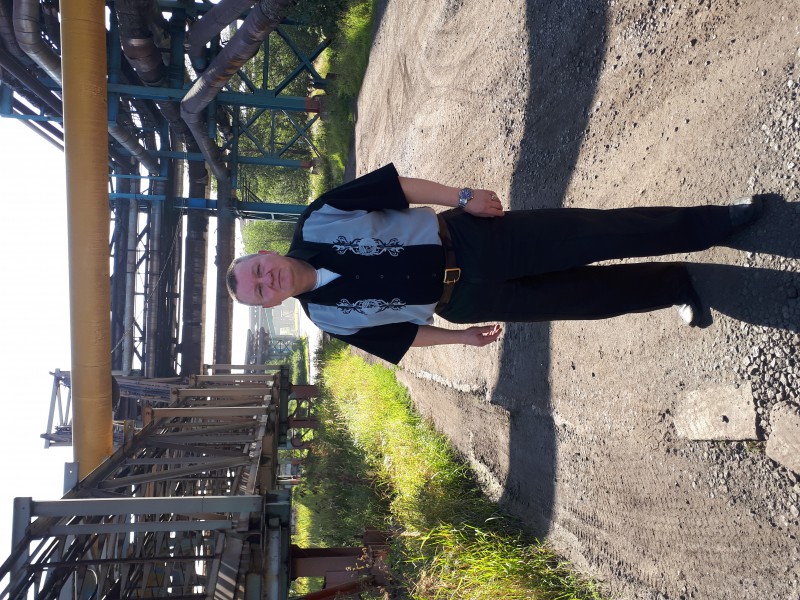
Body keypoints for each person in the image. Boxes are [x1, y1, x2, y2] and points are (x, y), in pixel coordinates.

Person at [226, 164, 763, 364]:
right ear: (270, 304)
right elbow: (402, 337)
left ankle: (719, 223)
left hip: (472, 240)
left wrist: (462, 198)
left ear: (266, 253)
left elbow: (394, 188)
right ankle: (676, 285)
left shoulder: (319, 218)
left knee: (602, 233)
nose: (267, 280)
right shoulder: (328, 319)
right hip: (465, 300)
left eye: (258, 270)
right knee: (588, 300)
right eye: (260, 290)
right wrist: (460, 339)